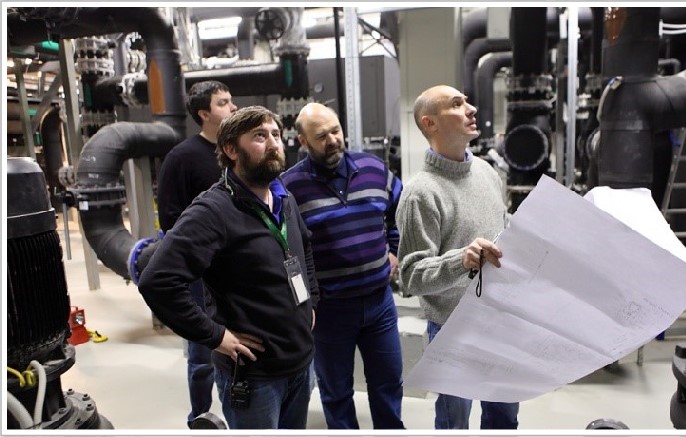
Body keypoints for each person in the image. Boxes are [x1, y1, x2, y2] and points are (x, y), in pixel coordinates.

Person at [139, 106, 319, 429]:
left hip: (300, 363)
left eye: (276, 135)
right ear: (231, 149)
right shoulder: (213, 211)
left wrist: (311, 301)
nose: (273, 144)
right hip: (255, 378)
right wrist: (214, 335)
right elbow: (157, 281)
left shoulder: (283, 197)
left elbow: (303, 245)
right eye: (260, 136)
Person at [395, 85, 519, 429]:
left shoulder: (487, 173)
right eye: (457, 104)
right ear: (430, 123)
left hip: (499, 319)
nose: (471, 108)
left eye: (467, 101)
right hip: (453, 328)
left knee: (504, 418)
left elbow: (503, 228)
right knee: (455, 423)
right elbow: (411, 275)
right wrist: (461, 260)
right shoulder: (420, 193)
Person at [280, 102, 405, 429]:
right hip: (330, 310)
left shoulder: (373, 169)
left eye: (336, 131)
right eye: (321, 136)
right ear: (303, 142)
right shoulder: (288, 188)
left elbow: (400, 212)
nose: (333, 140)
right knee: (336, 393)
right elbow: (284, 248)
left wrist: (394, 250)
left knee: (389, 383)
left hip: (380, 303)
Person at [156, 80, 237, 428]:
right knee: (202, 352)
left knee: (240, 343)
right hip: (202, 274)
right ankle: (200, 418)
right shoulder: (182, 158)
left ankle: (241, 411)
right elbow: (170, 218)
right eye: (223, 102)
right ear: (204, 114)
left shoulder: (236, 152)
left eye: (231, 100)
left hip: (239, 267)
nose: (232, 107)